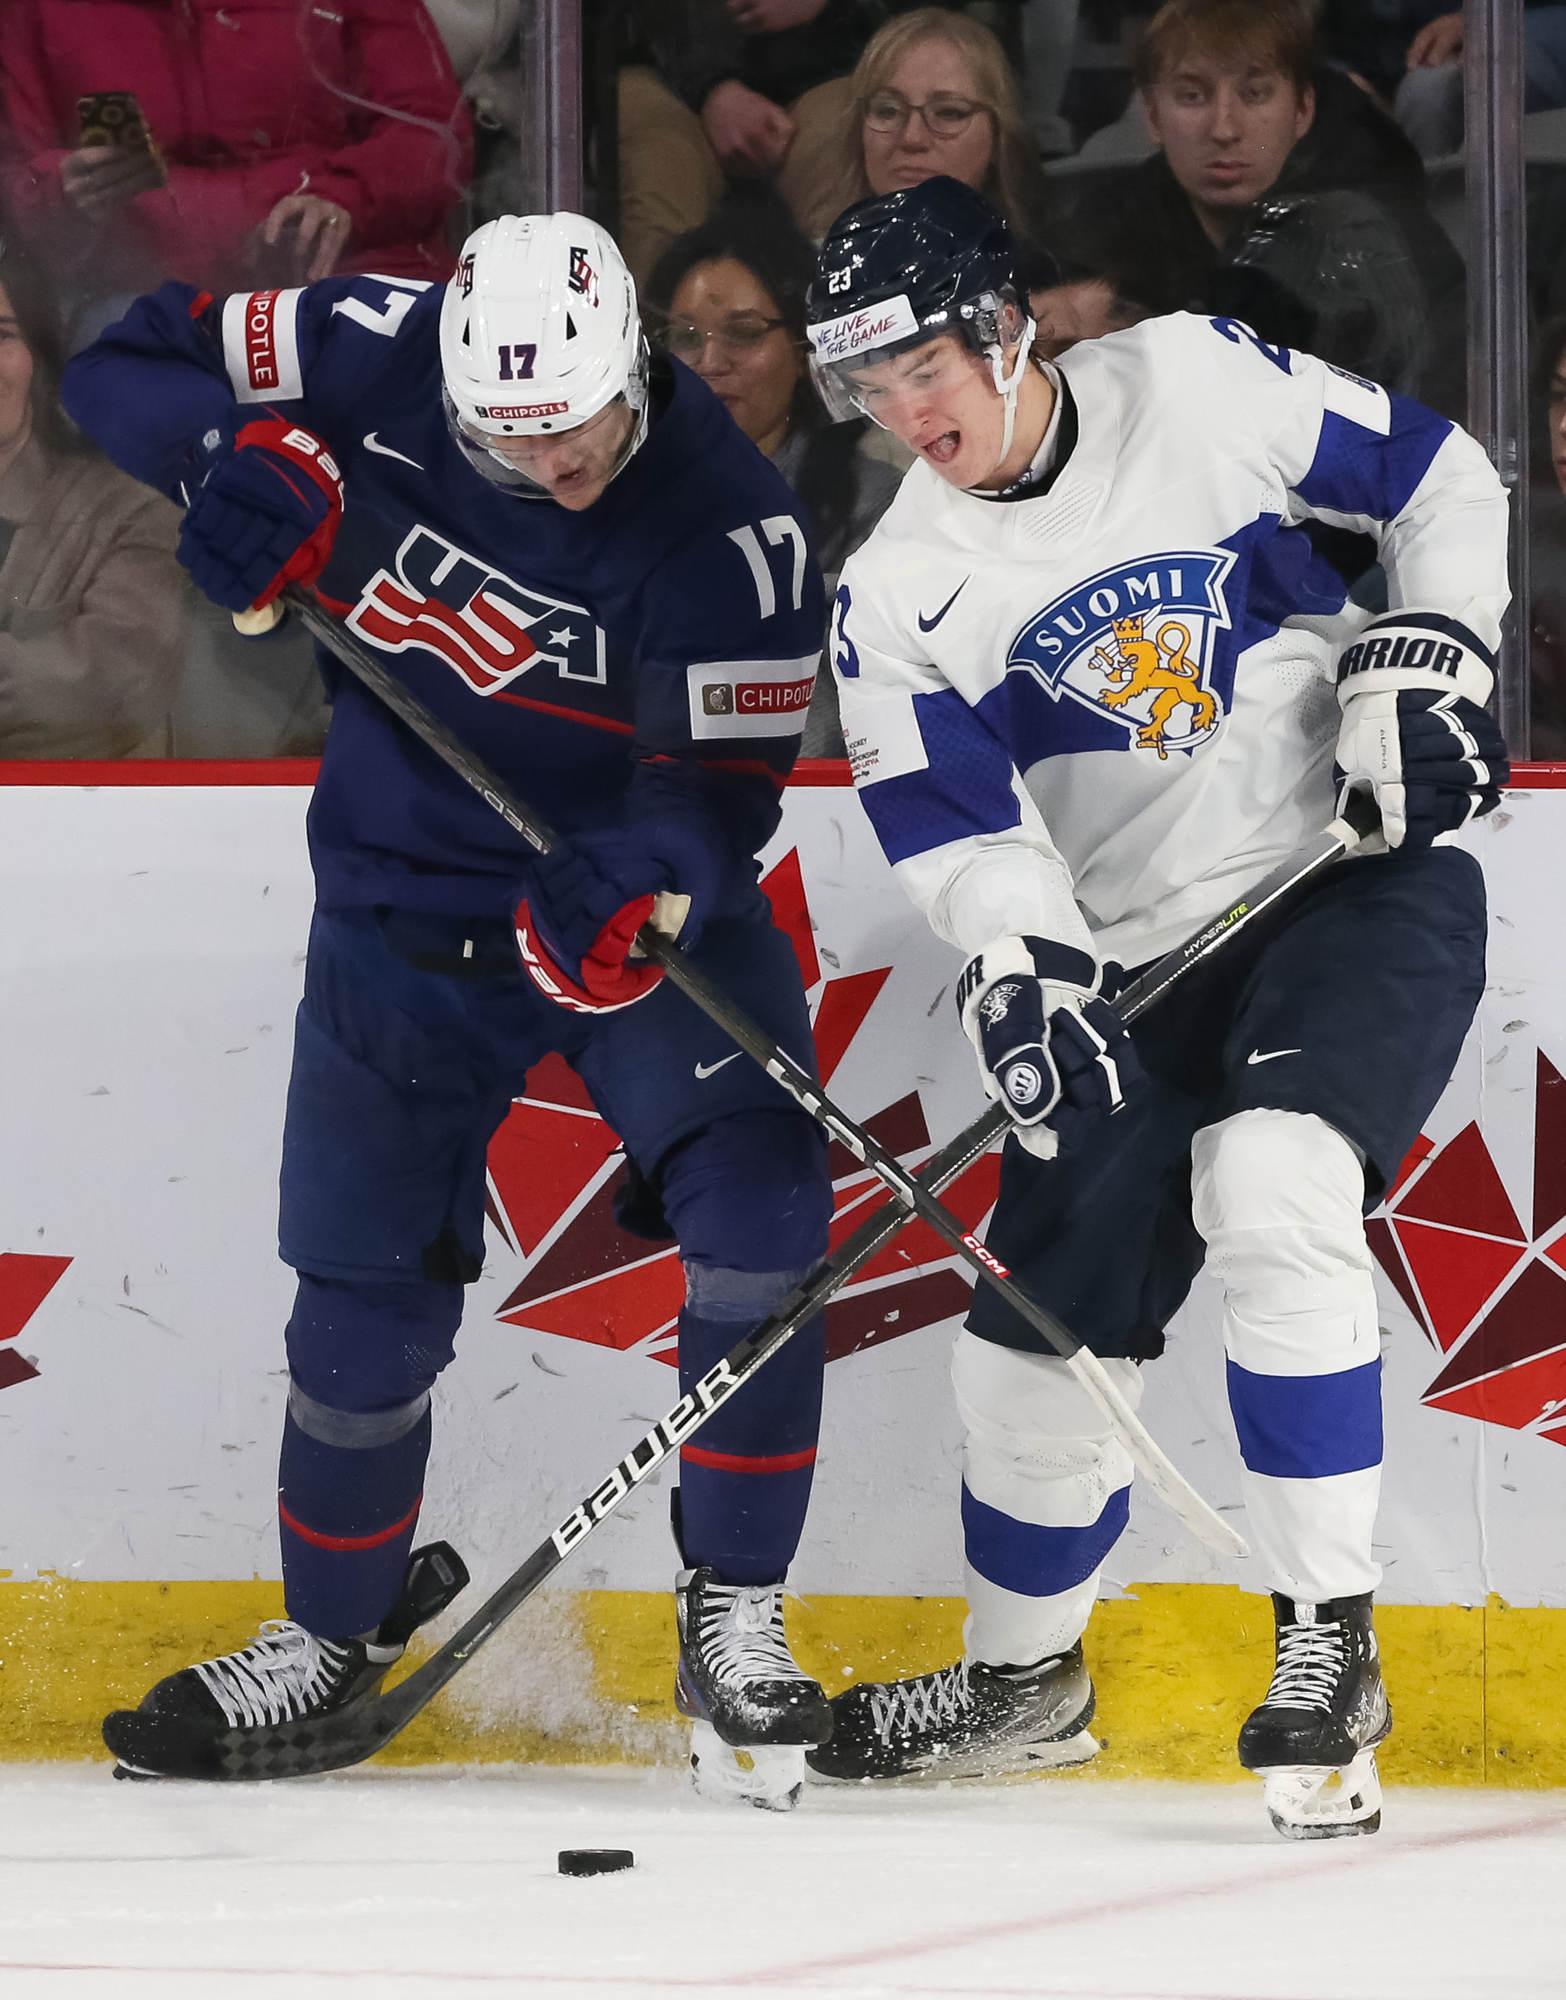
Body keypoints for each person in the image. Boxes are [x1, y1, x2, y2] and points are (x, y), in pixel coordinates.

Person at [61, 214, 837, 1809]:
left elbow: (710, 794)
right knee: (358, 1313)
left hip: (618, 917)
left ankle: (737, 1618)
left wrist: (644, 870)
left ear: (641, 369)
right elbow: (112, 360)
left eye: (579, 438)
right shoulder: (367, 336)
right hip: (397, 912)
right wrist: (239, 467)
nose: (553, 473)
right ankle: (328, 1634)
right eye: (507, 444)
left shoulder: (736, 531)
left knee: (764, 1211)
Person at [798, 176, 1509, 1837]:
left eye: (926, 364)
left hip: (1344, 884)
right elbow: (963, 833)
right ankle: (1023, 1686)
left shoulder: (1195, 380)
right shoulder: (893, 591)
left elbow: (1439, 476)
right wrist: (1023, 969)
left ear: (1005, 322)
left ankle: (1330, 1646)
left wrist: (1431, 646)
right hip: (1131, 963)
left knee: (1273, 1182)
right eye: (867, 386)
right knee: (1030, 1357)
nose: (910, 411)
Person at [1045, 0, 1466, 414]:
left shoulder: (1388, 239)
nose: (1224, 128)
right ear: (1153, 116)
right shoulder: (1097, 239)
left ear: (1302, 110)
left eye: (1256, 94)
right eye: (1192, 97)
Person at [0, 0, 471, 330]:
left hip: (351, 277)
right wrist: (62, 192)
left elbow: (433, 131)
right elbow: (15, 174)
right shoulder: (35, 11)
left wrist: (347, 195)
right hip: (150, 299)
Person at [644, 196, 901, 751]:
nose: (710, 362)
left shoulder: (877, 502)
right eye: (686, 337)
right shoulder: (616, 494)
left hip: (820, 810)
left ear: (802, 346)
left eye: (743, 332)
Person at [0, 227, 184, 757]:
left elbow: (114, 683)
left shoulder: (131, 509)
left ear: (39, 359)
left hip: (81, 828)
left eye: (1, 335)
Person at [616, 0, 888, 289]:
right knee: (661, 170)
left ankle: (831, 321)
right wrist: (712, 86)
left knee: (846, 142)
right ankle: (654, 324)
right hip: (665, 69)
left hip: (825, 70)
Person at [830, 9, 1057, 288]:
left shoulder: (1040, 290)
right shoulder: (820, 277)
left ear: (999, 138)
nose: (912, 138)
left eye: (949, 113)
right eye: (887, 110)